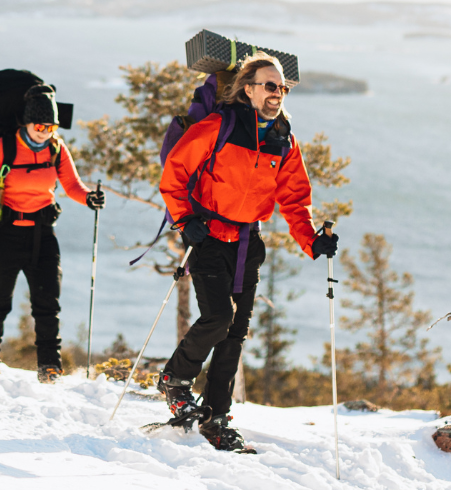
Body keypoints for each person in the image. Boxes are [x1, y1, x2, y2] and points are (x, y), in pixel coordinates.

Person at [154, 52, 339, 454]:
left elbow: (293, 197)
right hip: (207, 236)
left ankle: (216, 418)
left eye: (283, 87)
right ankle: (175, 379)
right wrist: (185, 221)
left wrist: (312, 240)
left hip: (247, 242)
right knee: (219, 318)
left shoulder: (283, 137)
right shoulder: (220, 124)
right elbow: (175, 172)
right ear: (249, 88)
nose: (278, 93)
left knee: (235, 334)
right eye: (270, 85)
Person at [0, 84, 104, 383]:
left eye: (51, 126)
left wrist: (89, 198)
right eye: (41, 125)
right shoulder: (5, 146)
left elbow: (72, 186)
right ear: (27, 122)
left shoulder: (56, 148)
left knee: (47, 303)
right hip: (4, 233)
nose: (45, 131)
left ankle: (50, 366)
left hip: (42, 235)